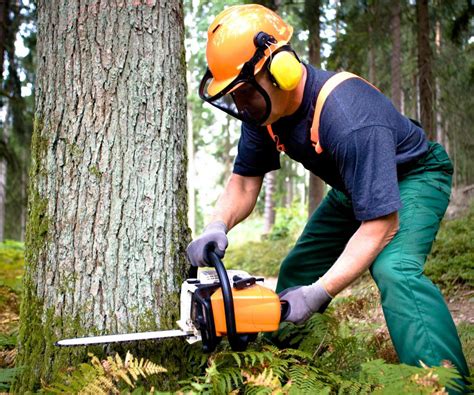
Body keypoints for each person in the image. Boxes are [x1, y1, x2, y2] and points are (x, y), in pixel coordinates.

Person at [186, 3, 469, 386]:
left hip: (413, 175)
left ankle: (445, 385)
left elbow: (380, 225)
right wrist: (217, 225)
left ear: (280, 71)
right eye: (236, 96)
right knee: (297, 271)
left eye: (246, 94)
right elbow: (244, 182)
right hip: (354, 188)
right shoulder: (264, 112)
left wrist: (320, 292)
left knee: (394, 269)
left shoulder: (349, 117)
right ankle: (292, 372)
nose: (242, 105)